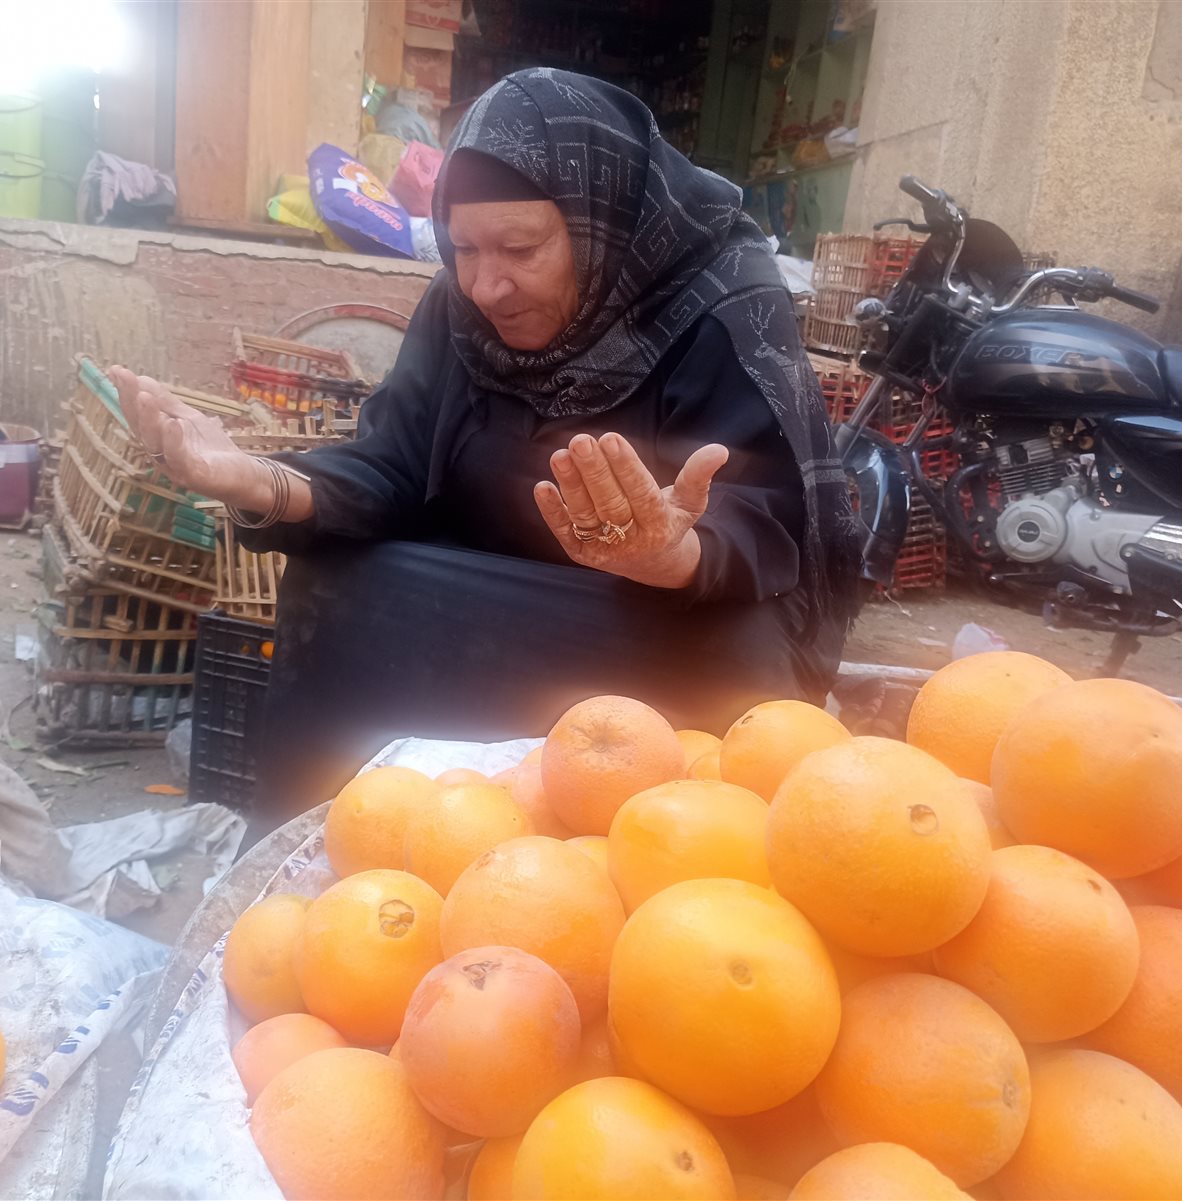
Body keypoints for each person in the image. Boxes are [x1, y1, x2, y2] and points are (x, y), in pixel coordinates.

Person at [113, 69, 859, 758]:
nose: (485, 287)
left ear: (598, 221)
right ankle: (339, 840)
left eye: (520, 248)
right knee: (333, 579)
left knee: (743, 661)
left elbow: (771, 519)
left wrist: (671, 553)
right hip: (487, 612)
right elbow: (393, 463)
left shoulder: (719, 306)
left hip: (660, 626)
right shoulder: (459, 309)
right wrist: (255, 479)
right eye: (463, 248)